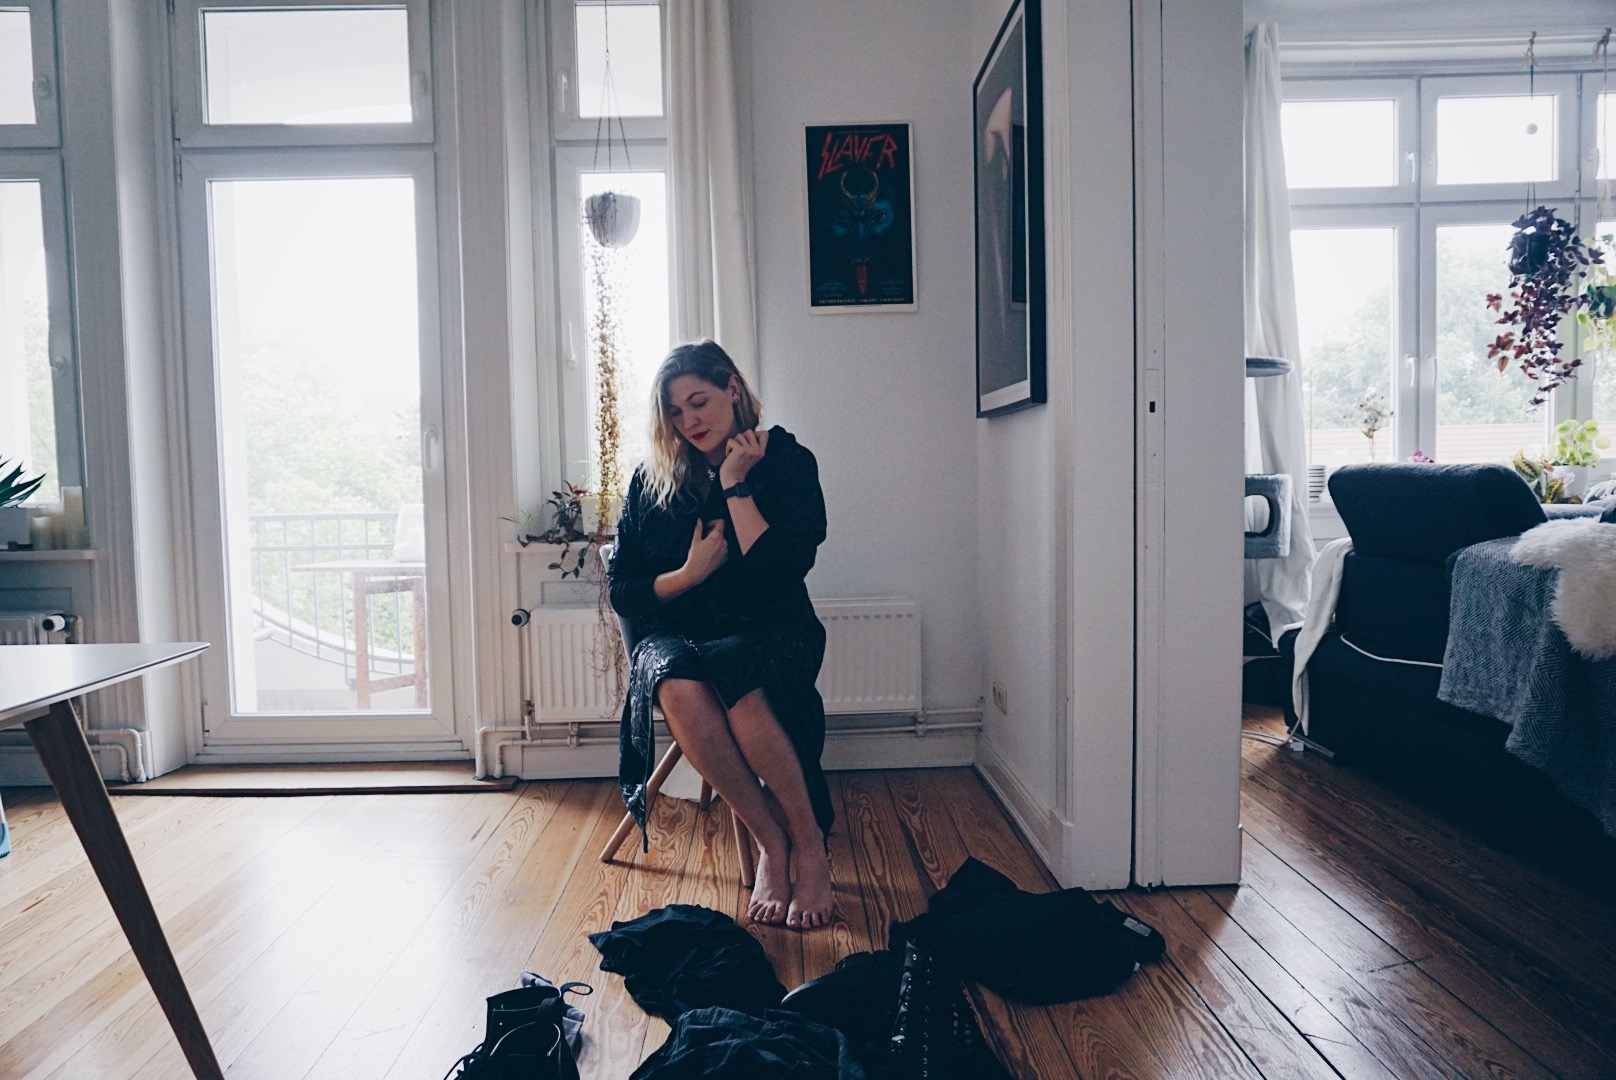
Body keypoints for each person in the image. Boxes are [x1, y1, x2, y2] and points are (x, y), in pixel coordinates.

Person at [608, 340, 835, 930]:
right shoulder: (652, 480)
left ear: (733, 387)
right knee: (677, 682)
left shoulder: (786, 462)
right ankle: (772, 842)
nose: (689, 422)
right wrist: (687, 576)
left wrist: (736, 484)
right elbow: (624, 589)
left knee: (737, 667)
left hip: (771, 626)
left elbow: (778, 573)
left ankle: (808, 842)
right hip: (677, 631)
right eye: (676, 412)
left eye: (699, 401)